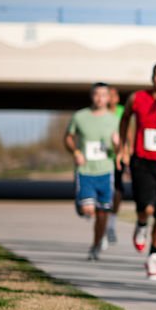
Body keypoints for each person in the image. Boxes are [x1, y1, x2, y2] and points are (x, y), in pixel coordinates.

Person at [118, 62, 156, 280]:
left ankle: (153, 257)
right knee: (146, 208)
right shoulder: (137, 98)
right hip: (142, 160)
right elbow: (124, 119)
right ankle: (141, 224)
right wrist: (123, 147)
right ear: (152, 77)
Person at [64, 83, 121, 261]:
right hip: (85, 170)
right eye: (96, 95)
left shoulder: (114, 119)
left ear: (108, 98)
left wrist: (117, 144)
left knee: (103, 212)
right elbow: (68, 137)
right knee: (88, 209)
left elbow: (122, 146)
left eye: (104, 95)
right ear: (92, 96)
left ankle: (96, 245)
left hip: (106, 170)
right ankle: (82, 205)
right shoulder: (80, 116)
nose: (100, 98)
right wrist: (75, 152)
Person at [106, 86, 124, 247]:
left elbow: (130, 131)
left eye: (113, 95)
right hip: (101, 158)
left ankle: (111, 222)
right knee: (104, 191)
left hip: (118, 156)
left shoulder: (122, 111)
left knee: (117, 189)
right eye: (107, 95)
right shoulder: (98, 113)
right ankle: (103, 223)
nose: (110, 99)